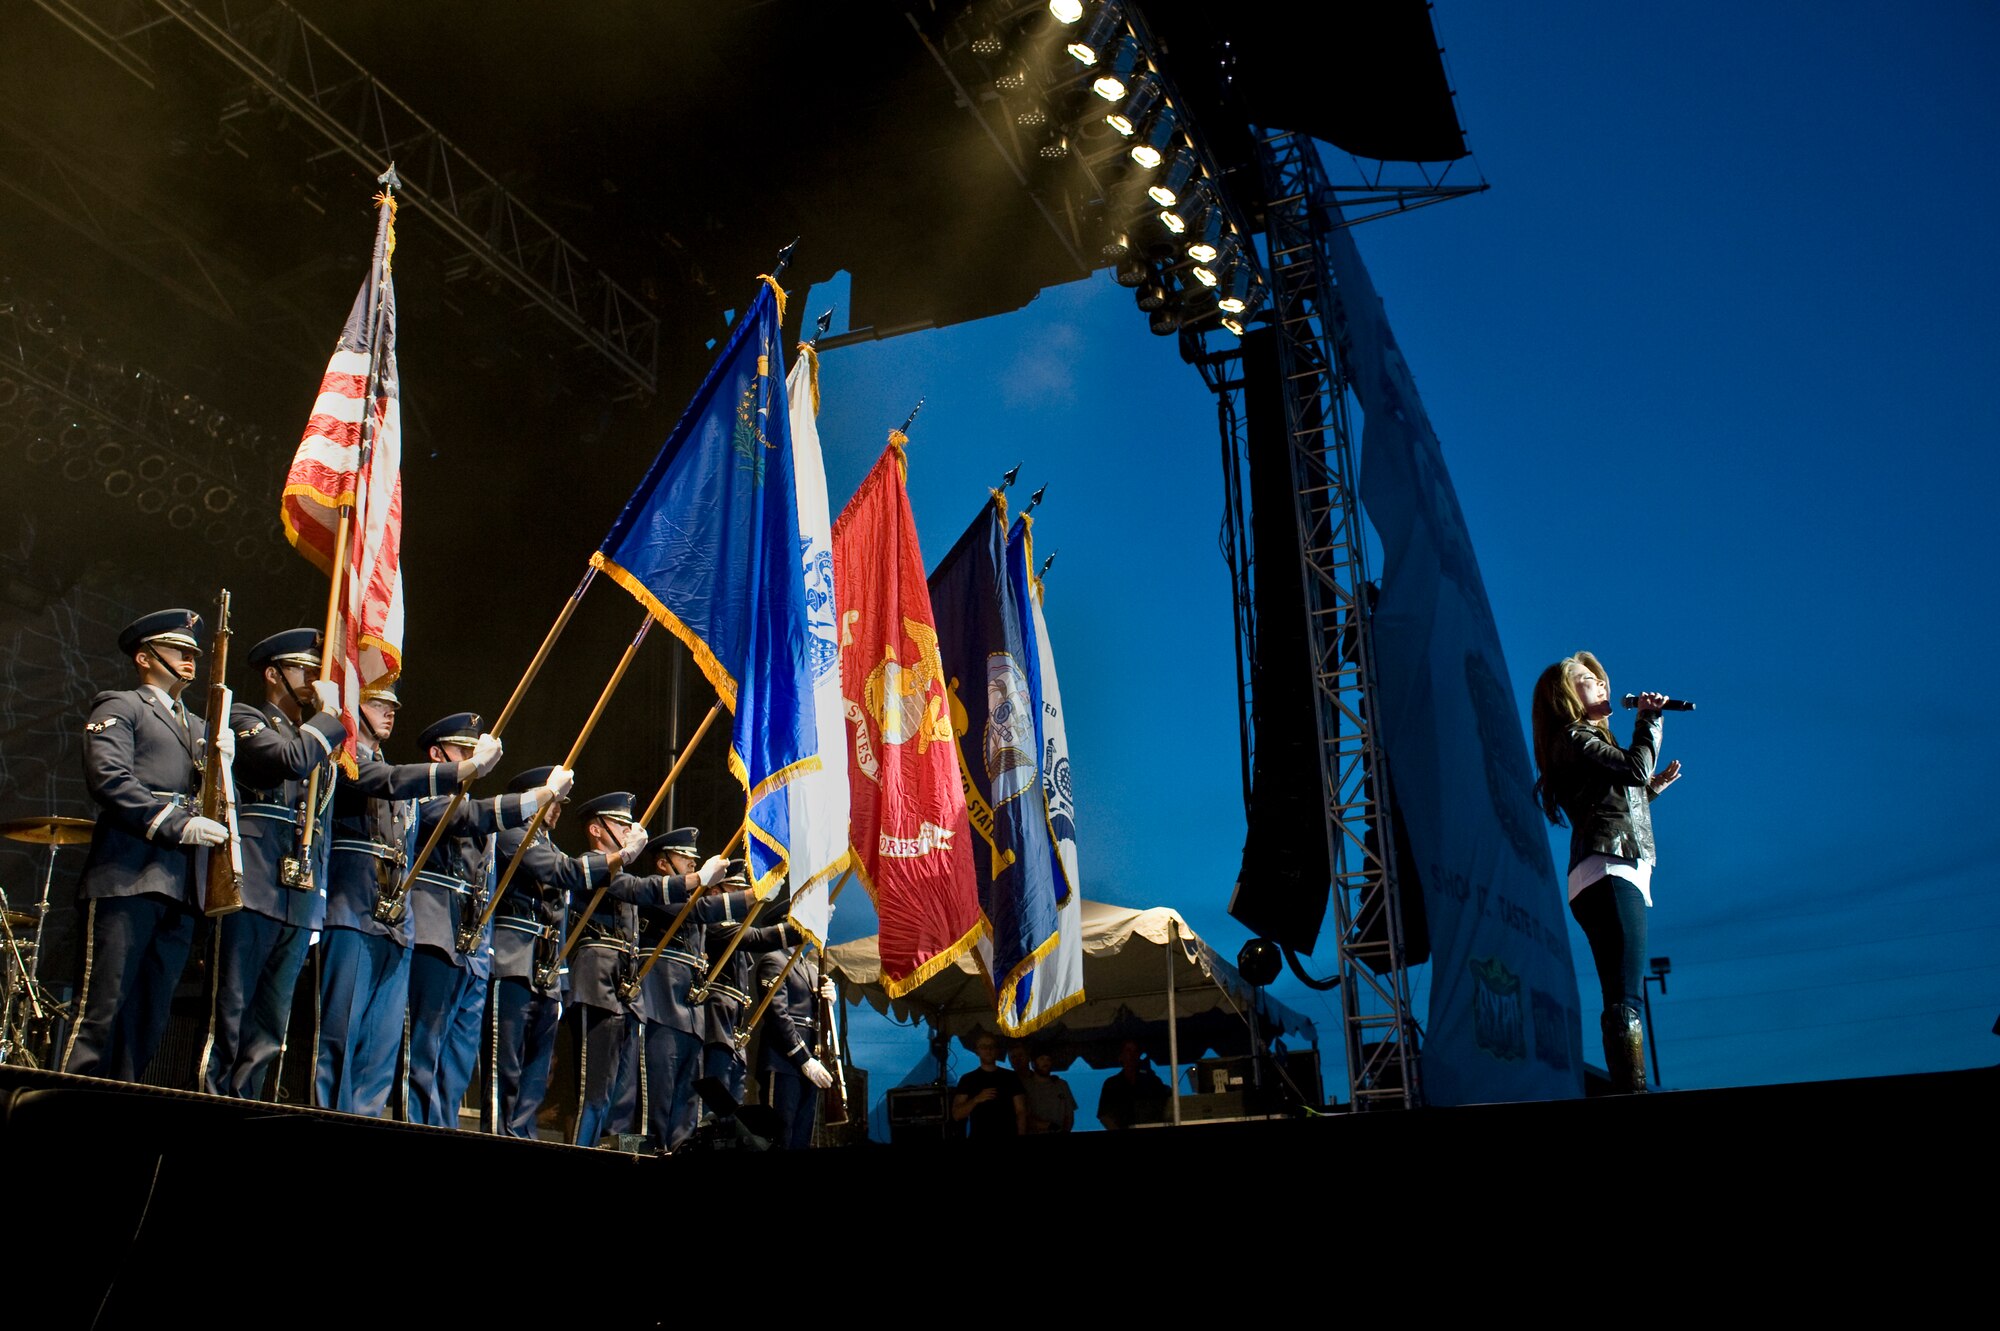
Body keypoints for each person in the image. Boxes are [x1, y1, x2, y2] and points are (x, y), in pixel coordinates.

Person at [317, 683, 504, 1116]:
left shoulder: (397, 775)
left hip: (395, 922)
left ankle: (365, 1126)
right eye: (377, 703)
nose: (390, 712)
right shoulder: (353, 764)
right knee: (340, 1036)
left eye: (393, 705)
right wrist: (475, 776)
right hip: (353, 911)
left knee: (379, 1053)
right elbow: (395, 785)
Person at [63, 609, 228, 1082]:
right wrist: (175, 823)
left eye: (194, 652)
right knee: (101, 1012)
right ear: (145, 657)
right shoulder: (120, 705)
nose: (190, 658)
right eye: (179, 650)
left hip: (180, 884)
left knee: (149, 1020)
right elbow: (109, 779)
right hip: (127, 875)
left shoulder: (199, 726)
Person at [403, 712, 572, 1128]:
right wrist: (532, 802)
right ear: (437, 753)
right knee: (424, 1049)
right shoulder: (430, 797)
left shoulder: (483, 816)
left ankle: (444, 1129)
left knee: (458, 1059)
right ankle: (419, 1129)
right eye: (464, 751)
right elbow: (464, 817)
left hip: (471, 948)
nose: (472, 760)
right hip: (433, 935)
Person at [199, 628, 344, 1099]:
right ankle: (211, 1102)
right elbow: (289, 759)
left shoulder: (318, 740)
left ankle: (248, 1105)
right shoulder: (246, 717)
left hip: (297, 897)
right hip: (253, 882)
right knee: (231, 1010)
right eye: (303, 668)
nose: (311, 679)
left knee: (271, 1023)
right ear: (273, 672)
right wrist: (327, 717)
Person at [1530, 651, 1682, 1093]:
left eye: (1599, 677)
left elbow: (1614, 805)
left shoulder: (1582, 743)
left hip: (1601, 871)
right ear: (1566, 695)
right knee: (1625, 996)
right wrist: (1650, 719)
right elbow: (1636, 767)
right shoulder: (1575, 736)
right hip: (1609, 872)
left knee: (1621, 992)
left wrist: (1651, 790)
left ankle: (1629, 1087)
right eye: (1585, 678)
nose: (1599, 683)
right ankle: (1632, 1092)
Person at [487, 767, 647, 1138]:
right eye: (552, 798)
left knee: (535, 1075)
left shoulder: (552, 846)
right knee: (506, 1070)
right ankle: (497, 1138)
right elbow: (562, 872)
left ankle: (522, 1138)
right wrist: (620, 857)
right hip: (512, 961)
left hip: (546, 970)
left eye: (559, 801)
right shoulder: (514, 834)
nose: (557, 808)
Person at [630, 827, 756, 1152]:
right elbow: (698, 911)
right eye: (684, 857)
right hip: (661, 1009)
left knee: (686, 1113)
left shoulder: (691, 904)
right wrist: (749, 898)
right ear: (662, 863)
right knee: (656, 1107)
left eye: (693, 859)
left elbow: (748, 936)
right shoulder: (658, 894)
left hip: (691, 1018)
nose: (691, 862)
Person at [755, 943, 837, 1150]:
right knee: (779, 1135)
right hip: (783, 1059)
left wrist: (828, 1001)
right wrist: (803, 1058)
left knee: (801, 1137)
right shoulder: (774, 960)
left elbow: (816, 1018)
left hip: (810, 1057)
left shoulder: (809, 968)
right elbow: (777, 1016)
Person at [953, 1033, 1027, 1139]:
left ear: (997, 1050)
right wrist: (976, 1099)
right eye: (983, 1047)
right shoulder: (967, 1079)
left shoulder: (1011, 1077)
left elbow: (1021, 1111)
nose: (988, 1050)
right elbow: (957, 1115)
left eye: (992, 1046)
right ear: (977, 1051)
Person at [1096, 1038, 1168, 1129]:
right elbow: (1104, 1115)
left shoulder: (1153, 1081)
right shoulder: (1111, 1084)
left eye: (1135, 1051)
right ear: (1121, 1056)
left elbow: (1166, 1108)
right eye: (1128, 1051)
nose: (1132, 1055)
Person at [1016, 1046, 1076, 1133]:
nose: (1046, 1062)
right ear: (1033, 1063)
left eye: (1048, 1059)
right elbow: (1021, 1115)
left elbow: (1069, 1114)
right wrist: (1046, 1125)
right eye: (1041, 1059)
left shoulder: (1062, 1085)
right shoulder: (1025, 1086)